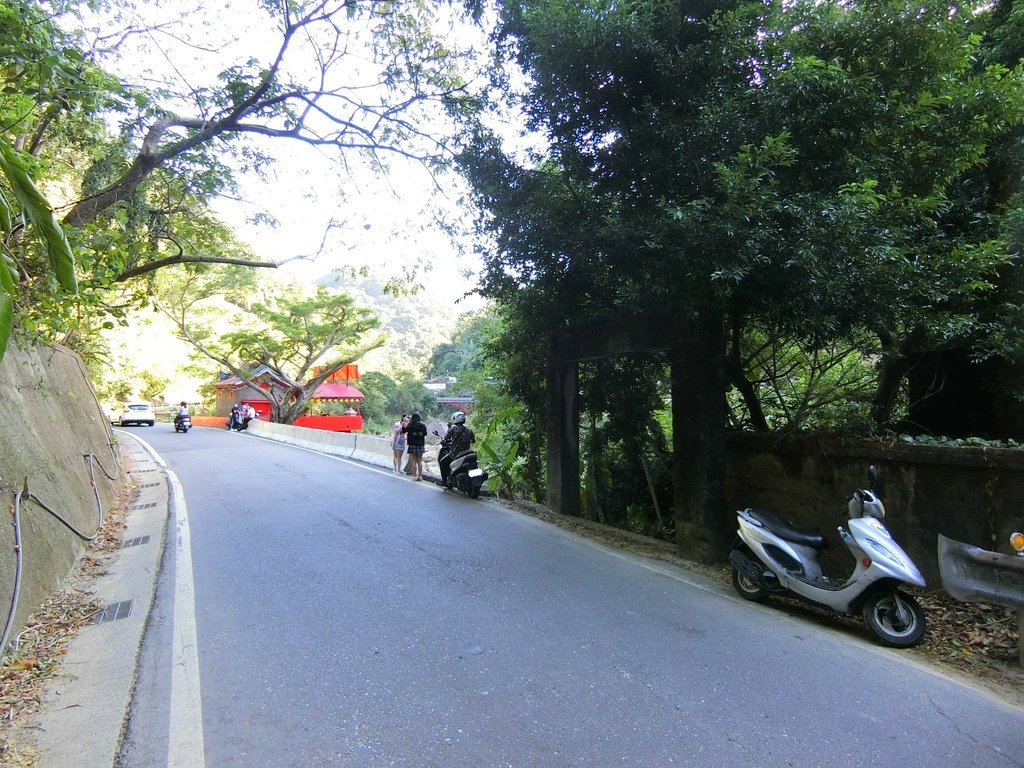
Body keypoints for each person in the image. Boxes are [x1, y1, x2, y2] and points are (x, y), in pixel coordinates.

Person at [439, 411, 474, 486]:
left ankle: (445, 482)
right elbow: (473, 441)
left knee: (442, 463)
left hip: (455, 453)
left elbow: (446, 438)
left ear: (456, 419)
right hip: (467, 453)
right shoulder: (469, 430)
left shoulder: (453, 428)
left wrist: (449, 428)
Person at [402, 412, 428, 481]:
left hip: (412, 444)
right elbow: (425, 434)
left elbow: (404, 431)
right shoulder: (423, 425)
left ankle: (414, 476)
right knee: (420, 461)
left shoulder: (410, 425)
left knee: (413, 462)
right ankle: (420, 476)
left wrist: (403, 425)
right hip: (420, 445)